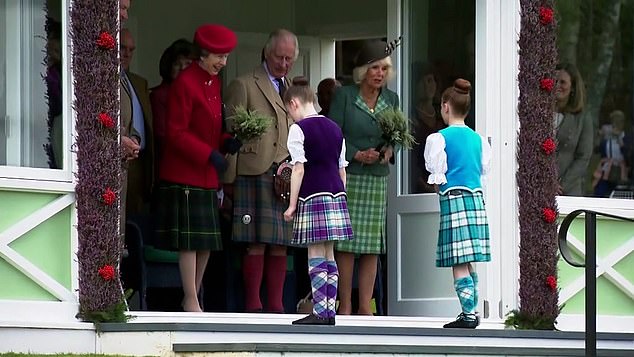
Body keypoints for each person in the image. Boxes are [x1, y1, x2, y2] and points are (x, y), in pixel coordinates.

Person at [154, 24, 240, 312]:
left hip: (205, 174)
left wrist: (226, 141)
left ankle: (194, 294)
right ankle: (190, 298)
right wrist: (209, 154)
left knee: (206, 243)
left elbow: (211, 127)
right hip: (183, 173)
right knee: (189, 242)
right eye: (220, 57)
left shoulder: (212, 83)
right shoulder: (185, 83)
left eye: (226, 57)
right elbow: (176, 132)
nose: (223, 63)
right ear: (203, 54)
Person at [224, 29, 298, 314]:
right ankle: (253, 305)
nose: (283, 63)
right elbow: (231, 136)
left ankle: (276, 306)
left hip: (285, 173)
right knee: (255, 242)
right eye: (279, 57)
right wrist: (227, 181)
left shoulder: (292, 87)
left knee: (280, 243)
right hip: (253, 171)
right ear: (267, 53)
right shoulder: (243, 84)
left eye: (289, 58)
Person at [329, 40, 399, 315]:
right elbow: (333, 134)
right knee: (346, 244)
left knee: (371, 246)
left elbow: (397, 136)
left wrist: (387, 152)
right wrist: (356, 154)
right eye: (374, 68)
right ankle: (345, 305)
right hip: (350, 175)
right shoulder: (344, 96)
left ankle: (364, 307)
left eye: (384, 68)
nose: (380, 74)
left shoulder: (391, 100)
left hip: (376, 177)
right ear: (362, 71)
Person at [281, 77, 353, 325]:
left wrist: (291, 205)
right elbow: (342, 170)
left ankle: (320, 312)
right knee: (329, 254)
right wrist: (340, 198)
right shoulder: (335, 129)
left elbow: (299, 169)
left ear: (293, 103)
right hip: (336, 195)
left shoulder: (298, 129)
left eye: (289, 112)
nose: (291, 117)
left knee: (315, 252)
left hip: (312, 194)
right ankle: (329, 311)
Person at [423, 78, 491, 329]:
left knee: (459, 261)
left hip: (454, 200)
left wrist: (439, 189)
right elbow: (482, 174)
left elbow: (437, 177)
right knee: (468, 259)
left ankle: (468, 314)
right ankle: (470, 311)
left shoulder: (440, 138)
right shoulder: (479, 140)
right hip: (476, 200)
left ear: (445, 106)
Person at [120, 28, 154, 218]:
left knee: (137, 221)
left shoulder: (139, 82)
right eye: (123, 48)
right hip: (120, 158)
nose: (127, 54)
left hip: (142, 162)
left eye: (132, 50)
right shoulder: (106, 79)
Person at [150, 39, 197, 165]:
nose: (182, 68)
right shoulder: (159, 95)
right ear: (169, 66)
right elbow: (163, 136)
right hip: (172, 164)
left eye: (187, 64)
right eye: (177, 64)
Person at [554, 62, 593, 196]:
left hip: (568, 191)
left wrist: (561, 185)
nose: (557, 85)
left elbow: (583, 157)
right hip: (538, 189)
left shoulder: (582, 118)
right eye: (554, 81)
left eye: (562, 82)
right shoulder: (539, 115)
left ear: (573, 88)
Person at [411, 63, 445, 193]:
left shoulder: (442, 115)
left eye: (432, 80)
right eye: (424, 81)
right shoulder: (411, 117)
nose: (429, 85)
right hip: (417, 187)